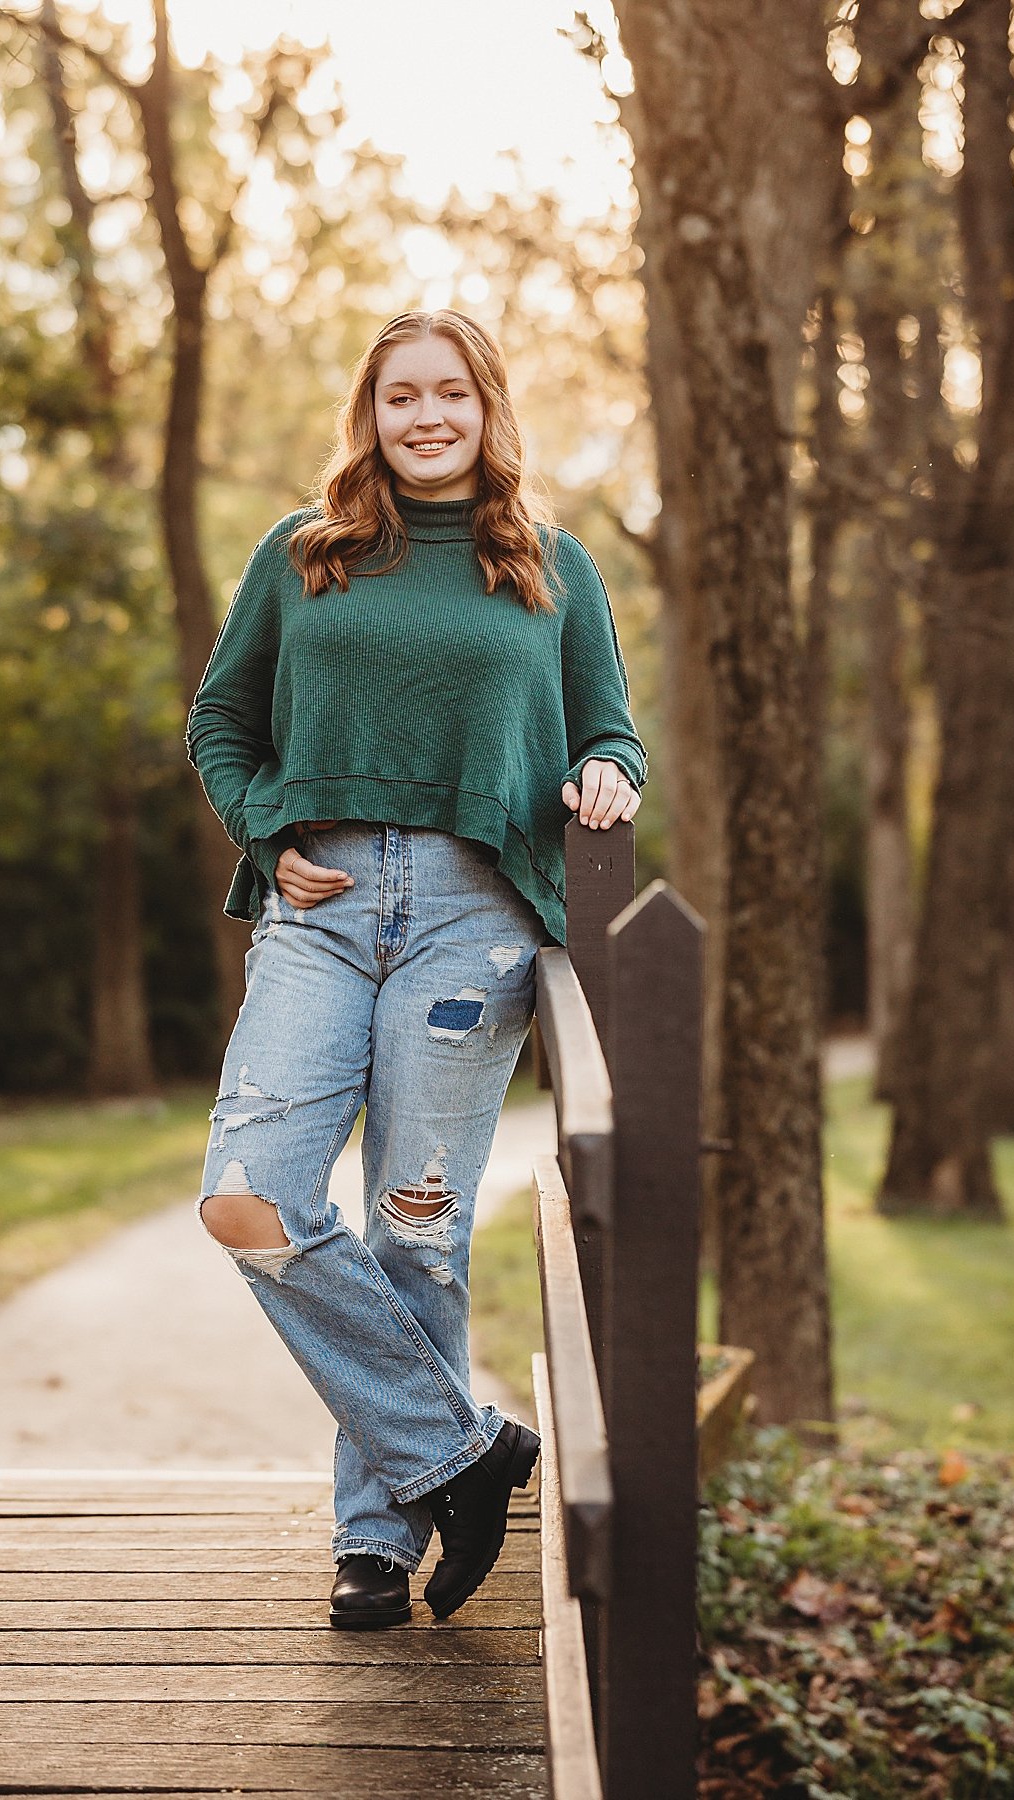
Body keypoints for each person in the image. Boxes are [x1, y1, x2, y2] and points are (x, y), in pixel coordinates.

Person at [186, 307, 645, 1629]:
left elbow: (611, 730)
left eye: (451, 393)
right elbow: (221, 722)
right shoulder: (304, 554)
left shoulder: (551, 568)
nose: (426, 416)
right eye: (401, 397)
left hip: (471, 915)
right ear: (371, 414)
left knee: (417, 1236)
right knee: (249, 1195)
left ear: (490, 408)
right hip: (318, 909)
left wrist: (606, 771)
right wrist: (265, 828)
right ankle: (464, 1452)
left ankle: (375, 1543)